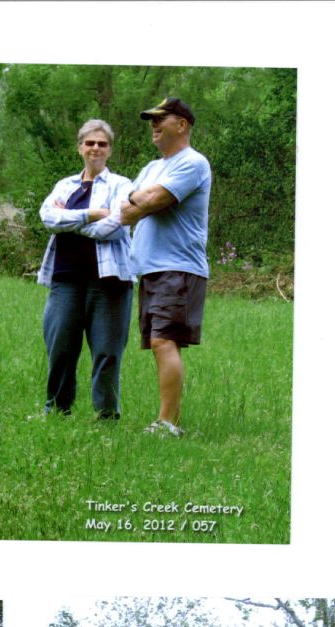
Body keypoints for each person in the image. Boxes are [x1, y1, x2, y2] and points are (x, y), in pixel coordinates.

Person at [119, 97, 212, 436]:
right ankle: (167, 421)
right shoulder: (151, 168)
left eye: (161, 119)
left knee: (164, 341)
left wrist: (139, 198)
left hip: (179, 266)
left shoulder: (193, 163)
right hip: (151, 268)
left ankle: (168, 424)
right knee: (159, 343)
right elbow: (128, 212)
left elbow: (154, 201)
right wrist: (138, 198)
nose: (154, 125)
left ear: (182, 125)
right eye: (151, 121)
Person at [37, 119, 134, 420]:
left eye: (102, 144)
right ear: (79, 147)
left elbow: (116, 224)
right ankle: (56, 411)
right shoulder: (65, 185)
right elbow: (48, 217)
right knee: (60, 349)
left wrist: (72, 222)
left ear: (110, 150)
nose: (95, 148)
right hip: (65, 279)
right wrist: (90, 214)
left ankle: (106, 417)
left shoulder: (123, 185)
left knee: (107, 353)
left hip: (111, 281)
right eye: (90, 143)